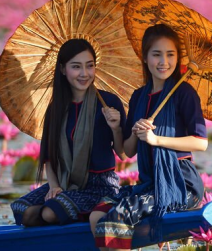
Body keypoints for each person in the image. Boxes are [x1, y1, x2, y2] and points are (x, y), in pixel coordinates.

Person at [89, 24, 208, 251]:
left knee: (120, 214)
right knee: (97, 215)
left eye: (170, 54)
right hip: (149, 183)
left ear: (178, 58)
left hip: (180, 184)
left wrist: (157, 140)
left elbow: (201, 143)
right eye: (156, 54)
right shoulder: (139, 96)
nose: (163, 62)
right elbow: (127, 151)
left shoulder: (184, 93)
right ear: (145, 57)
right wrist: (120, 129)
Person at [11, 39, 126, 227]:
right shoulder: (55, 108)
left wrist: (116, 128)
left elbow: (122, 152)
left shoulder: (108, 102)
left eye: (90, 66)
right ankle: (61, 219)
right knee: (22, 210)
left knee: (50, 212)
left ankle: (73, 215)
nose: (84, 74)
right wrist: (55, 186)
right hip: (65, 181)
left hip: (99, 187)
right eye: (76, 67)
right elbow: (49, 157)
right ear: (63, 69)